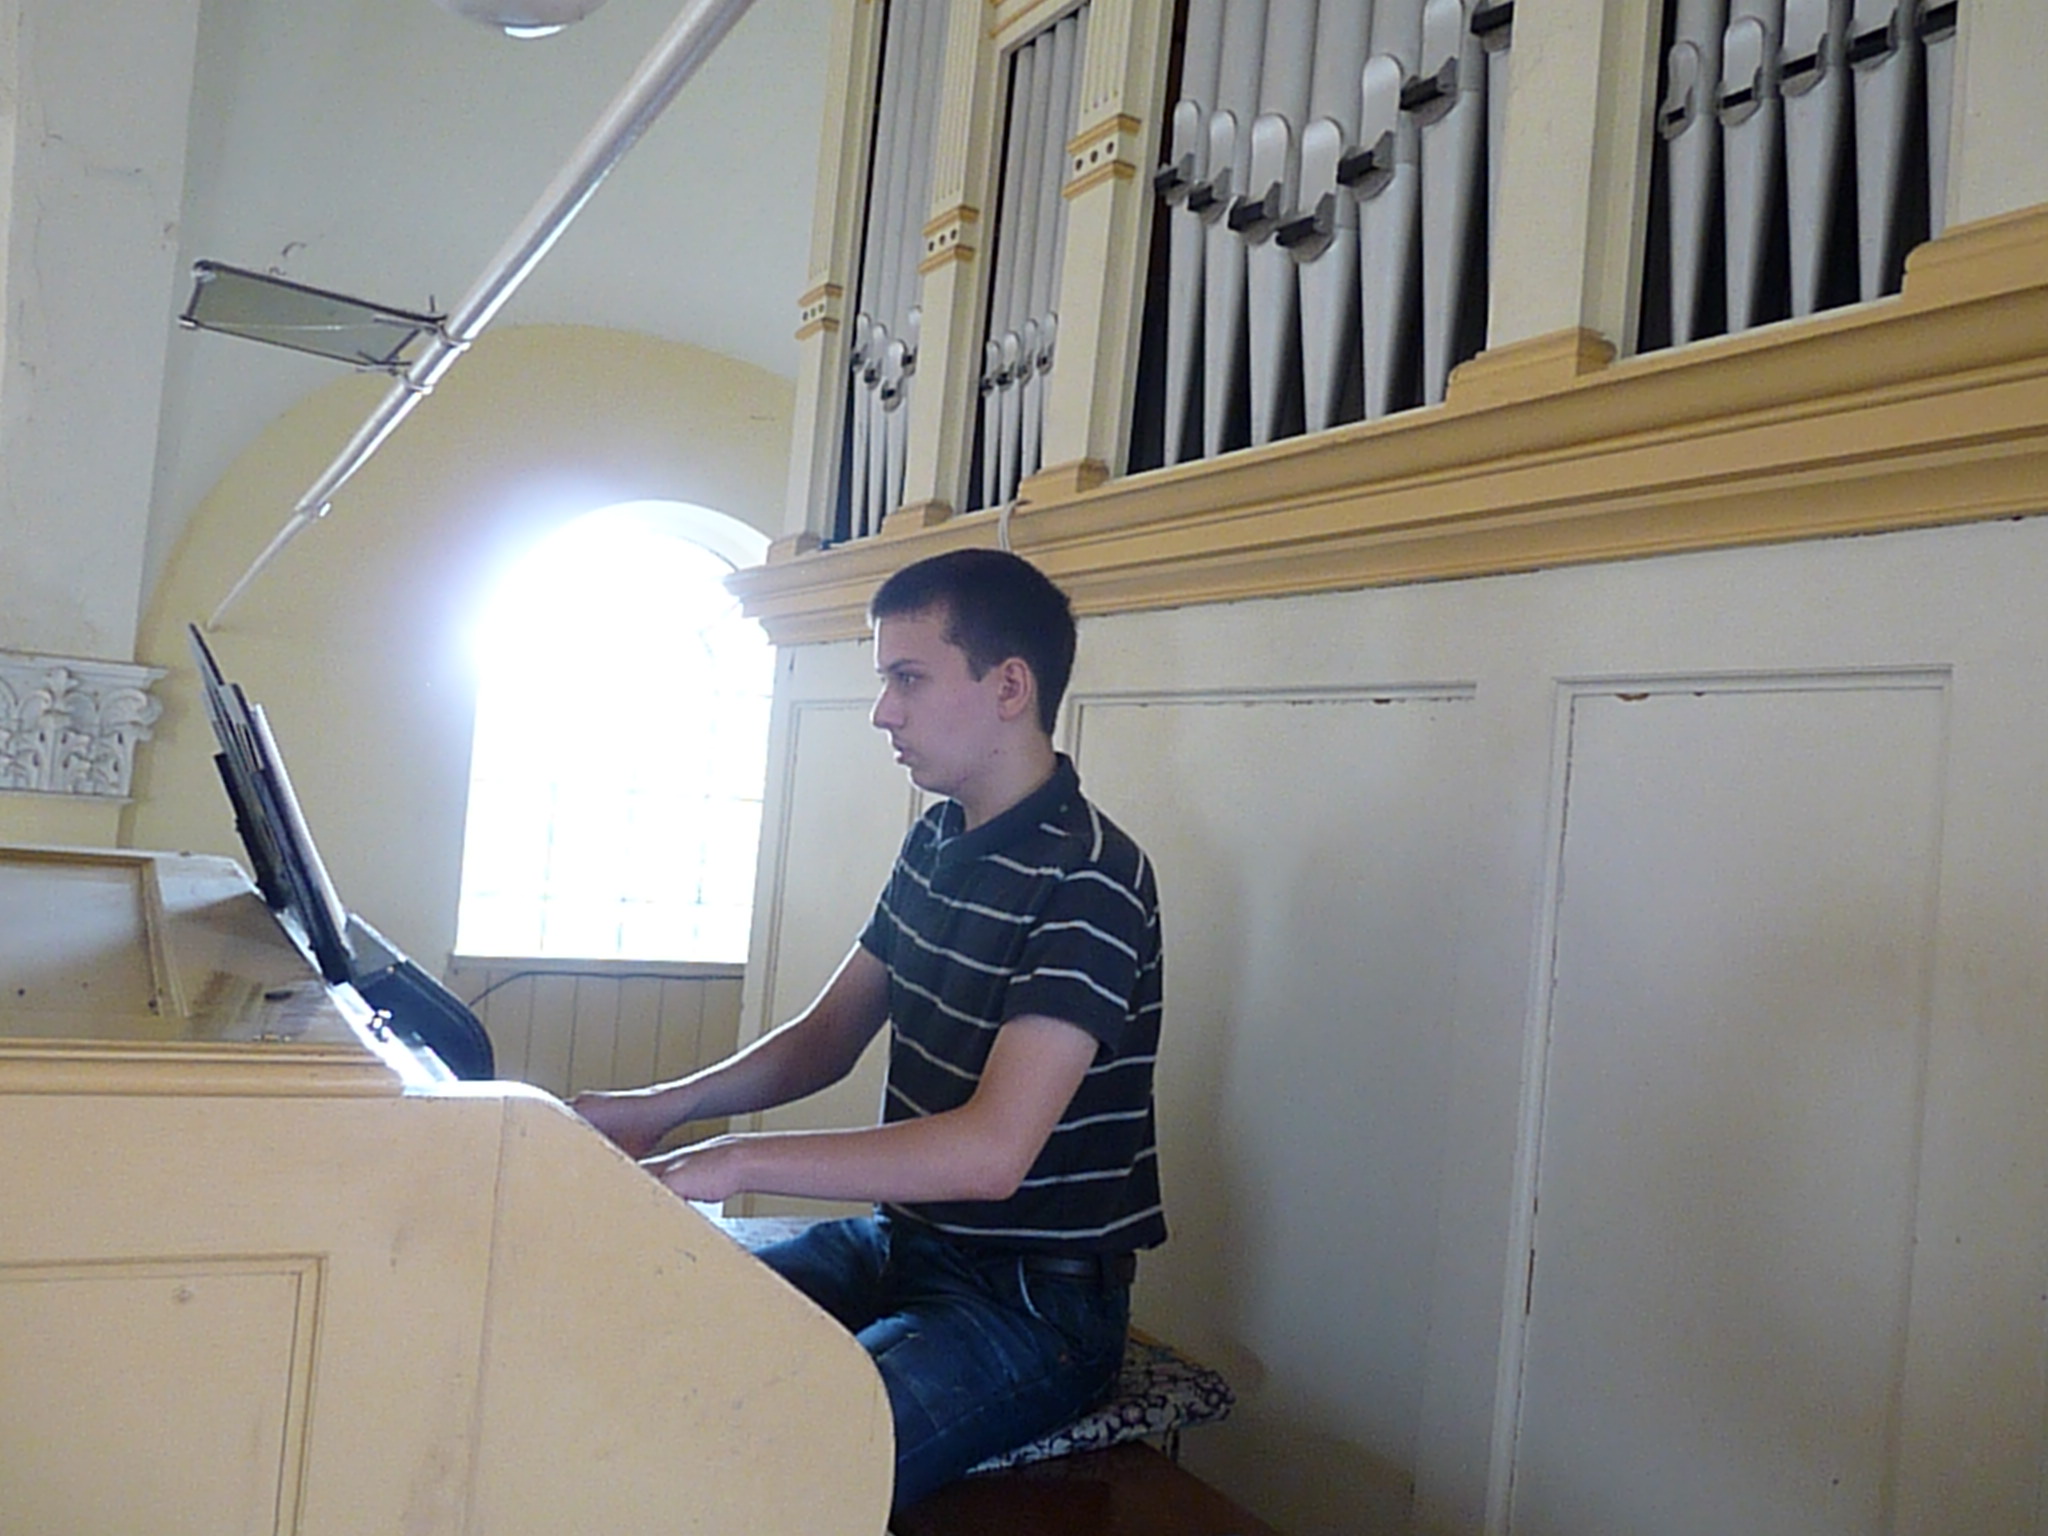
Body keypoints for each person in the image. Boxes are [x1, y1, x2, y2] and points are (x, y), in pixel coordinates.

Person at [573, 546, 1165, 1515]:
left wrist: (734, 1161)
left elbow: (990, 1154)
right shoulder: (935, 836)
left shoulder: (1091, 878)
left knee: (787, 1458)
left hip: (1032, 1303)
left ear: (1009, 687)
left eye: (908, 678)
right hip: (903, 1242)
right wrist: (656, 1109)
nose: (883, 711)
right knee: (641, 1320)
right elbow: (827, 1038)